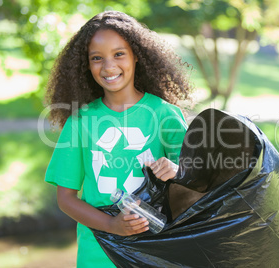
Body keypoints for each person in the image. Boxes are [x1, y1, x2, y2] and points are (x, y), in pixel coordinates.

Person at [44, 11, 193, 267]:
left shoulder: (165, 115)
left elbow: (195, 185)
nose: (109, 66)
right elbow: (66, 198)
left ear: (137, 55)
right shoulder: (80, 122)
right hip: (98, 254)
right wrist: (113, 225)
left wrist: (177, 171)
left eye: (119, 54)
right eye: (97, 58)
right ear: (86, 65)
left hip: (156, 252)